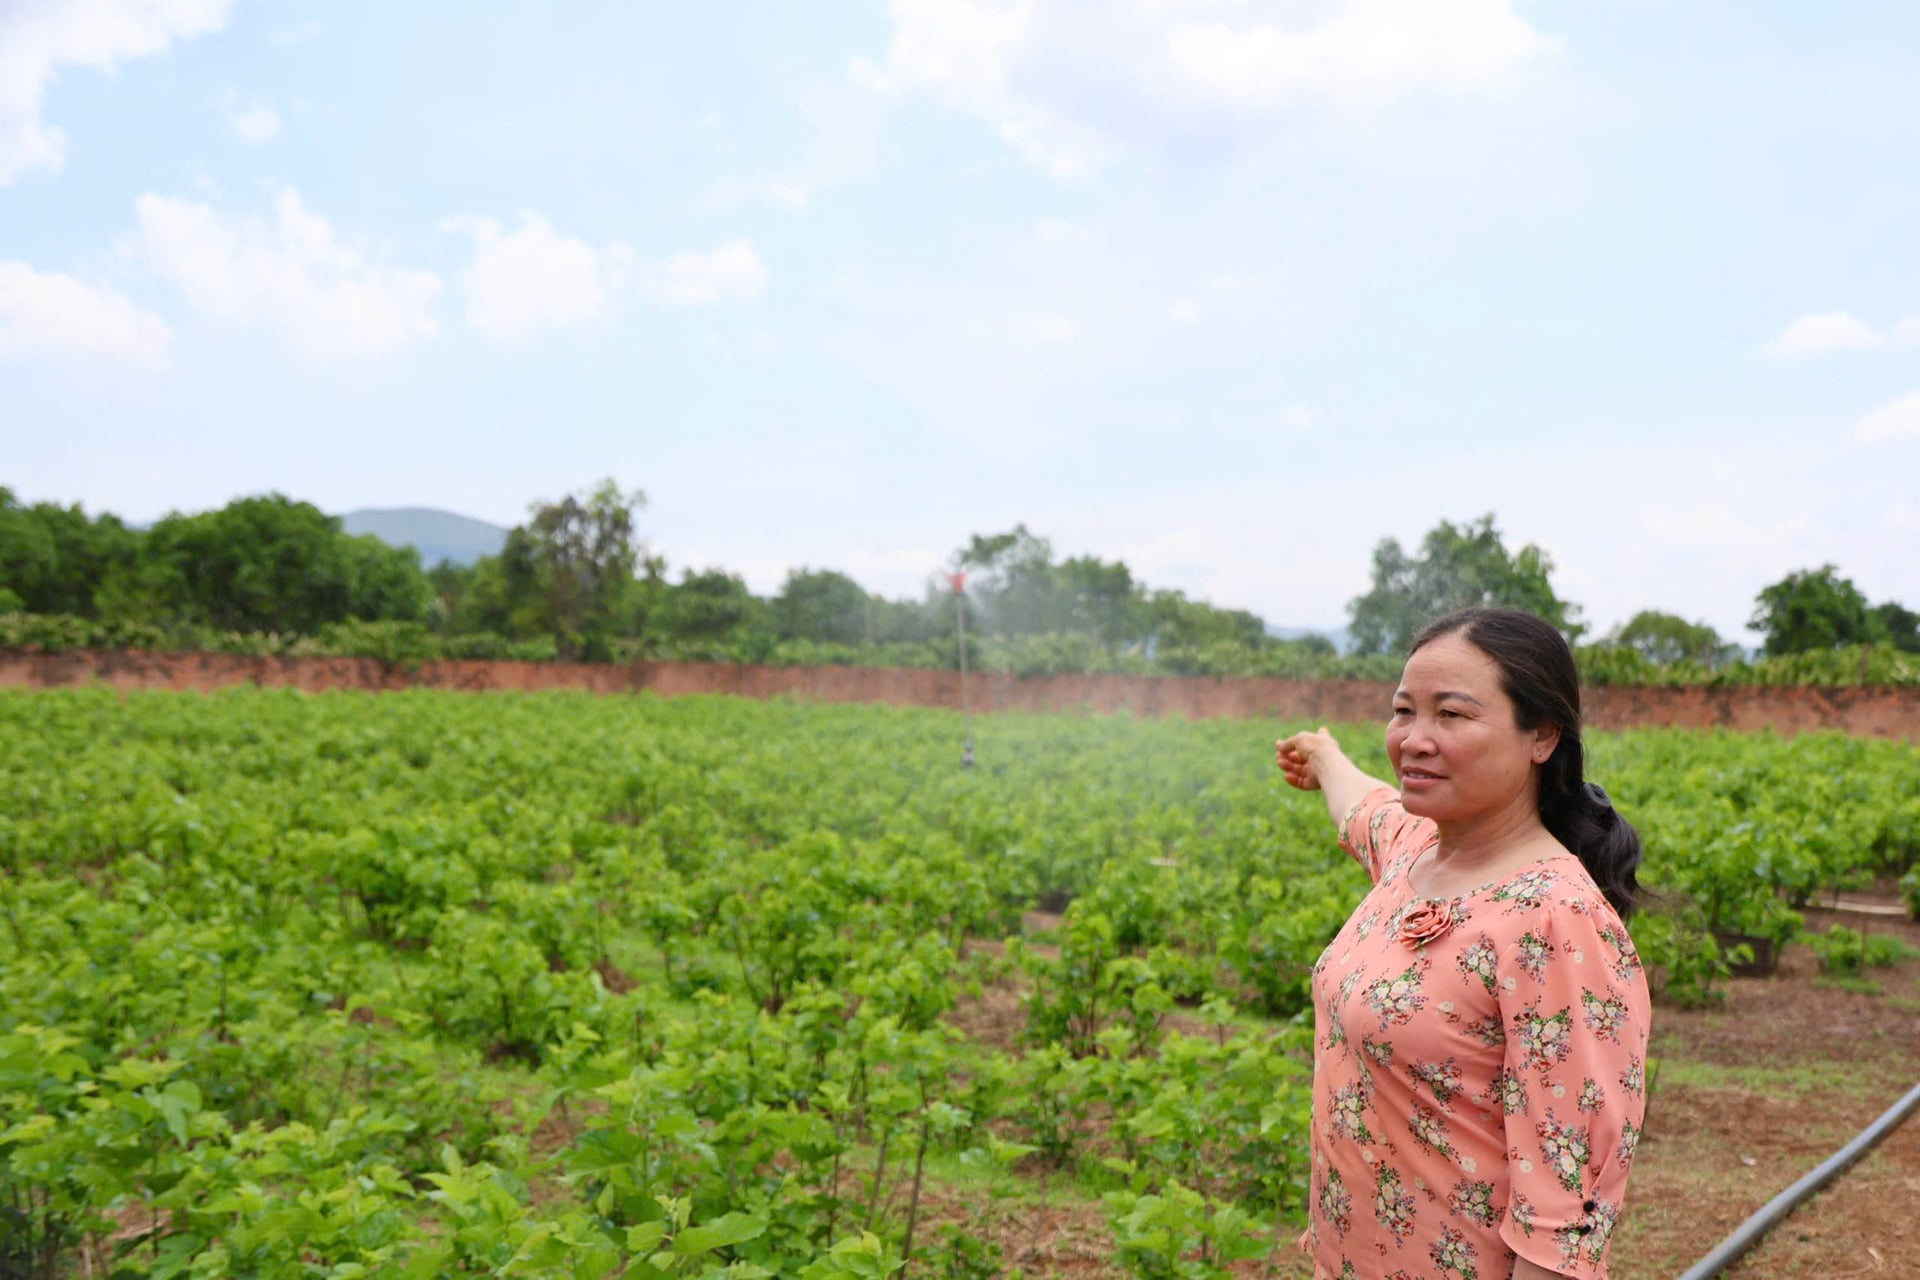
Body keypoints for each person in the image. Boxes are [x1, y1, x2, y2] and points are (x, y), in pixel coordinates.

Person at [1276, 607, 1650, 1280]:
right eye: (1403, 711)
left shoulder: (1555, 921)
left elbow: (1567, 1213)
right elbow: (1365, 805)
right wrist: (1324, 756)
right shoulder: (1417, 850)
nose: (1415, 739)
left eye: (1451, 715)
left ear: (1541, 736)